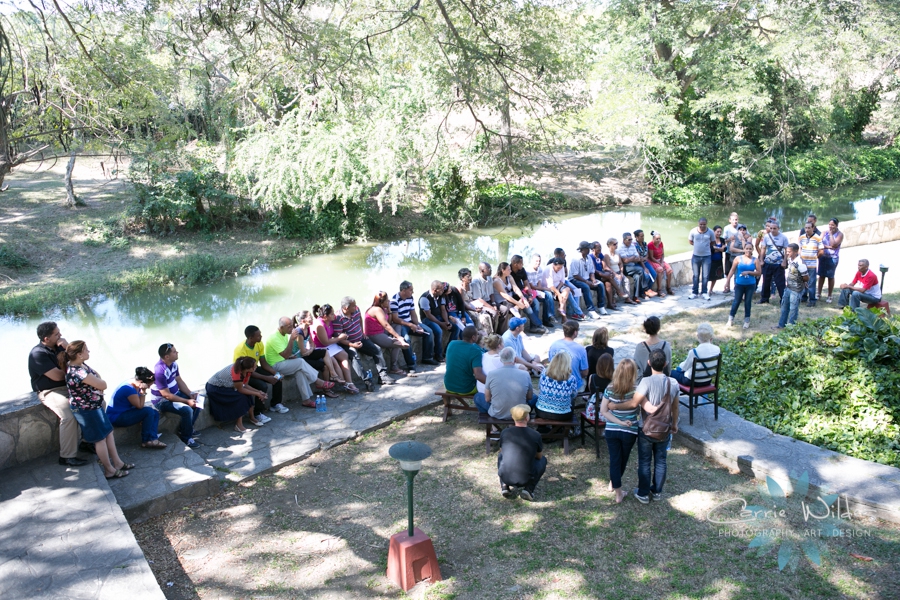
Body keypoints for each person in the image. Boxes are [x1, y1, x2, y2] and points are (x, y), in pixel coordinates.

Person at [62, 341, 133, 479]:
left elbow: (97, 377)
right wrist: (99, 382)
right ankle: (109, 470)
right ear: (79, 354)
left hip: (94, 406)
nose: (89, 352)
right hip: (86, 409)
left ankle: (117, 463)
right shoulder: (78, 372)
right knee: (100, 439)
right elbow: (102, 384)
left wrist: (97, 381)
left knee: (108, 432)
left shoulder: (81, 365)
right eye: (86, 350)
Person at [27, 321, 89, 467]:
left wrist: (68, 349)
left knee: (98, 402)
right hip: (50, 391)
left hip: (69, 387)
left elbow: (80, 363)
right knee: (68, 413)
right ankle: (67, 456)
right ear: (46, 339)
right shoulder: (38, 354)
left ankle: (88, 442)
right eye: (56, 334)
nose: (60, 335)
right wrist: (75, 370)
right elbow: (57, 376)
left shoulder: (60, 348)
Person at [632, 349, 680, 504]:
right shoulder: (673, 383)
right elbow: (675, 408)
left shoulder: (645, 381)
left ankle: (643, 493)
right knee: (661, 460)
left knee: (645, 461)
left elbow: (635, 402)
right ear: (665, 364)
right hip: (664, 428)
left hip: (646, 428)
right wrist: (674, 424)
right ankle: (657, 491)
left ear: (649, 363)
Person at [265, 317, 336, 408]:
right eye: (289, 327)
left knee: (300, 372)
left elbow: (286, 353)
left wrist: (291, 356)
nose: (292, 328)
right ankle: (318, 381)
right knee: (300, 362)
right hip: (275, 366)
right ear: (282, 327)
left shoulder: (283, 334)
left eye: (292, 326)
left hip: (284, 361)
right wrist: (291, 340)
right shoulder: (274, 337)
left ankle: (306, 400)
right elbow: (285, 355)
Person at [599, 358, 639, 503]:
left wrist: (617, 421)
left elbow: (603, 410)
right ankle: (618, 493)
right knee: (622, 460)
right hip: (630, 430)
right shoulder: (637, 389)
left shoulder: (610, 388)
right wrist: (623, 422)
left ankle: (614, 485)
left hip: (612, 430)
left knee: (615, 460)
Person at [150, 343, 202, 448]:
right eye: (174, 351)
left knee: (198, 401)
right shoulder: (160, 370)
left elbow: (179, 380)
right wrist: (187, 401)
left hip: (175, 394)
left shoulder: (174, 364)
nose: (177, 352)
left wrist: (190, 394)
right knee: (187, 409)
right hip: (162, 402)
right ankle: (186, 437)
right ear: (167, 357)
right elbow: (166, 395)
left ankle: (186, 428)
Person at [336, 296, 392, 386]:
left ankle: (383, 376)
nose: (356, 307)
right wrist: (352, 345)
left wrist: (362, 332)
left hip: (360, 338)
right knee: (354, 356)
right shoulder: (338, 318)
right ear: (346, 308)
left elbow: (360, 318)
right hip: (348, 343)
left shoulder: (356, 310)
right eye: (353, 306)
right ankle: (367, 380)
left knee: (377, 350)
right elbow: (339, 338)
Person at [108, 367, 166, 449]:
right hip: (117, 417)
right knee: (149, 412)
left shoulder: (135, 383)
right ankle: (146, 441)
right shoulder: (128, 389)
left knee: (155, 413)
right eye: (149, 385)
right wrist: (143, 391)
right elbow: (139, 406)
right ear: (142, 383)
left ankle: (153, 438)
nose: (149, 387)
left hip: (127, 411)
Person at [497, 404, 546, 502]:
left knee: (500, 456)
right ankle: (529, 489)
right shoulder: (535, 435)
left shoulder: (505, 432)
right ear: (527, 417)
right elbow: (539, 456)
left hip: (506, 476)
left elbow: (502, 451)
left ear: (512, 417)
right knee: (543, 460)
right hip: (526, 478)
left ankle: (504, 485)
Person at [234, 325, 285, 417]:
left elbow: (263, 363)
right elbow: (246, 371)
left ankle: (275, 404)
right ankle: (258, 413)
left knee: (277, 378)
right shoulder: (241, 350)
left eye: (260, 334)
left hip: (254, 369)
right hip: (244, 373)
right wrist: (266, 378)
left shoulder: (259, 344)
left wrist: (275, 373)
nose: (261, 336)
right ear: (250, 338)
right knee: (262, 385)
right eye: (258, 335)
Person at [206, 357, 266, 433]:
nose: (256, 367)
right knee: (240, 397)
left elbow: (245, 385)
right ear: (248, 368)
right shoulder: (237, 372)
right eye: (254, 367)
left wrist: (259, 392)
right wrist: (257, 393)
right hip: (216, 388)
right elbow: (241, 389)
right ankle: (239, 425)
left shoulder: (248, 371)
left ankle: (252, 417)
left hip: (227, 386)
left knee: (249, 395)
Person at [391, 280, 439, 367]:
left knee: (428, 332)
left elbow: (413, 313)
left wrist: (417, 325)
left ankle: (427, 358)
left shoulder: (410, 298)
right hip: (401, 325)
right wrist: (410, 325)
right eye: (411, 290)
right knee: (406, 340)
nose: (413, 292)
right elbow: (395, 319)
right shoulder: (394, 300)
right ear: (404, 290)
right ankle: (411, 364)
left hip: (410, 323)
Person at [313, 304, 358, 393]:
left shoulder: (330, 321)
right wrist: (340, 338)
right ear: (325, 316)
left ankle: (349, 382)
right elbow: (325, 342)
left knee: (344, 355)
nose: (335, 315)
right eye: (332, 314)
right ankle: (345, 385)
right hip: (320, 347)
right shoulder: (320, 325)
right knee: (334, 362)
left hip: (330, 344)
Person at [478, 347, 535, 419]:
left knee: (478, 397)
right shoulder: (525, 374)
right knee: (535, 398)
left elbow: (487, 399)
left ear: (501, 359)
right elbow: (530, 397)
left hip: (497, 413)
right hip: (520, 413)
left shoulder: (491, 374)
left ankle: (492, 424)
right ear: (514, 359)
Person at [365, 292, 409, 377]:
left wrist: (389, 310)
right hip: (374, 334)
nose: (389, 301)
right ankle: (394, 367)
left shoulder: (383, 309)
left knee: (397, 325)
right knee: (399, 344)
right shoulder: (377, 310)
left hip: (381, 331)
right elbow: (386, 325)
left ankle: (395, 339)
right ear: (381, 302)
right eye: (387, 300)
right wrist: (399, 337)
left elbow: (388, 322)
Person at [493, 262, 545, 333]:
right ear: (503, 270)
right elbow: (505, 295)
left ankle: (533, 325)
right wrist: (518, 303)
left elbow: (516, 288)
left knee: (526, 301)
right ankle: (534, 326)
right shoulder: (497, 281)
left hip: (510, 298)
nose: (510, 271)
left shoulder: (509, 277)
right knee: (518, 311)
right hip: (503, 301)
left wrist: (523, 299)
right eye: (508, 269)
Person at [293, 310, 342, 384]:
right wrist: (310, 350)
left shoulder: (308, 328)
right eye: (310, 317)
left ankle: (333, 374)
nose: (312, 319)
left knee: (325, 351)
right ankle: (327, 388)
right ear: (303, 320)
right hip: (300, 358)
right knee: (324, 367)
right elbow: (303, 353)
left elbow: (312, 344)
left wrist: (311, 349)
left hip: (307, 352)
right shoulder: (299, 333)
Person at [510, 254, 551, 331]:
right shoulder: (508, 271)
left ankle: (533, 327)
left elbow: (526, 283)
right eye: (521, 263)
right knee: (527, 306)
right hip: (514, 294)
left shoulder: (522, 270)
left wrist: (530, 295)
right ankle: (539, 325)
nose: (522, 265)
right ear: (515, 264)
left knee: (536, 302)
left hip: (522, 293)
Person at [726, 241, 762, 329]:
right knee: (736, 301)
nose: (748, 250)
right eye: (747, 249)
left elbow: (759, 273)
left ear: (753, 249)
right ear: (744, 249)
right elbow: (732, 270)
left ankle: (747, 320)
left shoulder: (755, 260)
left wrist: (749, 272)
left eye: (750, 249)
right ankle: (730, 319)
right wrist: (727, 281)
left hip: (750, 285)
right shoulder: (738, 259)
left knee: (747, 302)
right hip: (739, 284)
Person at [535, 351, 578, 424]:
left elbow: (540, 387)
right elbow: (574, 395)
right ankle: (560, 428)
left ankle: (542, 427)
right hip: (562, 414)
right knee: (572, 402)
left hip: (541, 411)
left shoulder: (544, 374)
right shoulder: (571, 379)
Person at [444, 326, 485, 397]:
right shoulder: (475, 350)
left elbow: (446, 361)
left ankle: (447, 406)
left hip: (448, 386)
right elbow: (478, 376)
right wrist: (495, 384)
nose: (478, 336)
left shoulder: (452, 343)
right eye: (477, 334)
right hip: (466, 389)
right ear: (473, 337)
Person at [548, 320, 589, 391]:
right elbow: (585, 372)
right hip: (572, 384)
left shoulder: (554, 344)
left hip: (555, 379)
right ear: (575, 332)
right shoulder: (580, 349)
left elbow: (550, 362)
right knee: (584, 380)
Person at [569, 241, 606, 319]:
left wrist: (593, 280)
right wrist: (587, 282)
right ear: (583, 249)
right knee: (585, 287)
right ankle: (591, 310)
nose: (589, 250)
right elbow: (575, 275)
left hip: (586, 278)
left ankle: (601, 306)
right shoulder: (576, 259)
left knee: (600, 284)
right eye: (587, 249)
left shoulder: (589, 258)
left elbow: (591, 271)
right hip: (575, 280)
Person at [776, 244, 809, 329]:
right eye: (786, 251)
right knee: (784, 307)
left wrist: (802, 282)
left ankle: (791, 327)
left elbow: (806, 277)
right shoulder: (790, 259)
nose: (787, 253)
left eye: (789, 252)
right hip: (788, 287)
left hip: (796, 290)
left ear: (795, 251)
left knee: (793, 309)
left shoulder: (800, 263)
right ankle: (781, 325)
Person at [418, 281, 453, 360]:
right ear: (435, 290)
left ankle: (448, 351)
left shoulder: (441, 296)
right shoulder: (424, 298)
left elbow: (443, 310)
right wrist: (441, 324)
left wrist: (447, 322)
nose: (443, 290)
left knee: (455, 327)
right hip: (427, 319)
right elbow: (428, 315)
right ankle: (438, 354)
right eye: (440, 289)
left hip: (439, 317)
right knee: (438, 331)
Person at [631, 316, 671, 382]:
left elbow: (635, 367)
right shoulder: (666, 346)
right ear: (659, 328)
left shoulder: (640, 347)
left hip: (643, 382)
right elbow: (668, 368)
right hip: (662, 381)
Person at [469, 263, 506, 333]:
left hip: (489, 301)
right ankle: (491, 334)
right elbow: (479, 299)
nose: (491, 270)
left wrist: (494, 304)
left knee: (504, 309)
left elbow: (491, 293)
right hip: (480, 304)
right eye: (488, 269)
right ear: (482, 271)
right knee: (494, 313)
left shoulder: (489, 278)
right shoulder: (476, 281)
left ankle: (501, 332)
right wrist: (491, 308)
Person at [759, 220, 789, 304]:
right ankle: (764, 298)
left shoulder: (783, 237)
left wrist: (784, 261)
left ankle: (783, 300)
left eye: (774, 228)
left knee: (780, 283)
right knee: (765, 282)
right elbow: (763, 248)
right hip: (767, 263)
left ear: (778, 228)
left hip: (779, 264)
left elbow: (787, 250)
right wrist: (761, 260)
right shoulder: (766, 237)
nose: (772, 230)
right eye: (771, 228)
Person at [459, 267, 495, 334]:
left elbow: (474, 298)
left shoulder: (470, 285)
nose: (470, 277)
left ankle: (489, 335)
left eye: (470, 275)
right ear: (462, 278)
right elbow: (462, 303)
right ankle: (480, 336)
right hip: (467, 309)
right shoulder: (460, 288)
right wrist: (474, 310)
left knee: (486, 316)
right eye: (468, 276)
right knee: (481, 319)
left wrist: (478, 306)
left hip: (473, 305)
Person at [526, 254, 558, 326]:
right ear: (532, 261)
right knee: (538, 301)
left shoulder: (540, 269)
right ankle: (536, 325)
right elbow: (532, 286)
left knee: (548, 295)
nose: (538, 263)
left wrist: (541, 291)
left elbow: (539, 284)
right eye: (536, 261)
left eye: (539, 261)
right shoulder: (528, 271)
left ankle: (548, 318)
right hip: (530, 292)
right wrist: (545, 289)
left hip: (537, 290)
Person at [798, 222, 823, 307]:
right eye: (806, 228)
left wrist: (815, 256)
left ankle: (812, 300)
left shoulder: (817, 238)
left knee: (811, 283)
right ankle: (803, 297)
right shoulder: (801, 237)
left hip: (812, 265)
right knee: (802, 281)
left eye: (809, 228)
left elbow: (821, 250)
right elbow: (799, 249)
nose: (807, 230)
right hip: (803, 264)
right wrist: (800, 257)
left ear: (813, 228)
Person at [819, 218, 844, 304]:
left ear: (836, 225)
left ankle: (829, 295)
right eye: (829, 224)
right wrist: (827, 247)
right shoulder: (823, 232)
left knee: (830, 276)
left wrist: (830, 235)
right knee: (821, 275)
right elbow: (819, 242)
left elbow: (834, 244)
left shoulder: (840, 234)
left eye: (832, 225)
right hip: (823, 256)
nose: (830, 226)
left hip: (833, 257)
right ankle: (819, 293)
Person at [688, 217, 713, 300]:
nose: (702, 226)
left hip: (707, 256)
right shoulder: (693, 231)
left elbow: (712, 242)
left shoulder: (710, 232)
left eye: (704, 224)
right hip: (696, 256)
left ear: (706, 224)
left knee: (705, 276)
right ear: (698, 224)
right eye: (701, 224)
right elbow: (690, 241)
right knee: (695, 275)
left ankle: (704, 292)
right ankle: (694, 292)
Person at [590, 242, 620, 310]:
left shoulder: (600, 255)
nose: (600, 249)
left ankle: (610, 303)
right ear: (593, 249)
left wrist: (610, 271)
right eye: (598, 247)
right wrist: (604, 275)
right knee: (609, 277)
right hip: (595, 275)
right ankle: (619, 291)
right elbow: (594, 270)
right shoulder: (590, 257)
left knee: (608, 283)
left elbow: (605, 266)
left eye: (600, 247)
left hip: (602, 274)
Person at [604, 238, 633, 305]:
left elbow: (620, 263)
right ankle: (613, 298)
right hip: (612, 273)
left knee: (626, 280)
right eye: (614, 244)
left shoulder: (617, 253)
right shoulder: (607, 254)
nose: (616, 245)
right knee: (617, 281)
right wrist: (616, 275)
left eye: (617, 243)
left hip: (619, 272)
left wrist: (621, 273)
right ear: (609, 245)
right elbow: (608, 266)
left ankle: (627, 298)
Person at [618, 232, 644, 303]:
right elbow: (625, 261)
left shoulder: (632, 246)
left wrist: (630, 258)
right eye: (629, 240)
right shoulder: (620, 247)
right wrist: (633, 257)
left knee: (637, 277)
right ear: (624, 240)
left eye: (631, 239)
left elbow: (638, 258)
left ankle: (635, 297)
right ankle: (644, 289)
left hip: (633, 266)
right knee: (641, 270)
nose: (630, 241)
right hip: (625, 267)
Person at [646, 232, 674, 297]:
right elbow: (651, 257)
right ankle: (659, 290)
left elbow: (662, 254)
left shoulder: (661, 243)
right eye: (657, 239)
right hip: (653, 260)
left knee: (669, 270)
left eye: (659, 239)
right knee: (659, 269)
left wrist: (661, 262)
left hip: (660, 260)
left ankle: (668, 288)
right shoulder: (650, 245)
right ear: (653, 239)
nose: (658, 240)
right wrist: (659, 263)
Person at [633, 230, 658, 300]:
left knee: (654, 274)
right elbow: (638, 257)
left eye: (643, 236)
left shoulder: (644, 243)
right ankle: (642, 292)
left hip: (645, 261)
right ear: (636, 237)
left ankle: (648, 290)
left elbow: (647, 254)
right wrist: (644, 268)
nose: (643, 237)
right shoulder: (634, 245)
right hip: (638, 263)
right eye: (641, 236)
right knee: (646, 276)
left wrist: (645, 258)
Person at [723, 212, 740, 294]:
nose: (735, 221)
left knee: (738, 270)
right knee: (728, 271)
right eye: (733, 220)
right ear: (730, 220)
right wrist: (730, 239)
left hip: (739, 253)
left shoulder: (741, 227)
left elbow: (748, 236)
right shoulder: (727, 228)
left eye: (736, 220)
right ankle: (727, 287)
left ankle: (737, 286)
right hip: (729, 252)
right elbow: (724, 241)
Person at [708, 226, 726, 294]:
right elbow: (711, 250)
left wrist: (716, 248)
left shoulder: (722, 240)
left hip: (718, 260)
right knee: (708, 276)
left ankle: (711, 290)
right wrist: (719, 249)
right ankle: (704, 290)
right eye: (717, 231)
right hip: (711, 260)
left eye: (720, 232)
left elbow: (724, 249)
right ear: (714, 231)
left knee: (715, 276)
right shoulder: (711, 240)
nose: (719, 233)